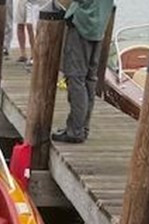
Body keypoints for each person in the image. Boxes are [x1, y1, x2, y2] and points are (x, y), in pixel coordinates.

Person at [52, 0, 114, 143]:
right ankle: (82, 127)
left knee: (76, 78)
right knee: (89, 80)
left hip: (83, 25)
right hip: (98, 26)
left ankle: (75, 131)